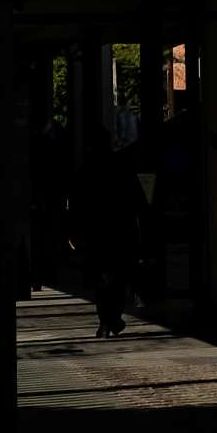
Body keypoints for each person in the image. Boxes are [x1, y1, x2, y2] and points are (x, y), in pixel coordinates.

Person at [70, 137, 147, 338]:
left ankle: (106, 320)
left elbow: (76, 206)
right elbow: (139, 201)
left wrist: (75, 232)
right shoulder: (122, 168)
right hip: (120, 231)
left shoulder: (85, 172)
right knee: (118, 278)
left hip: (96, 233)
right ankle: (111, 319)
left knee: (102, 280)